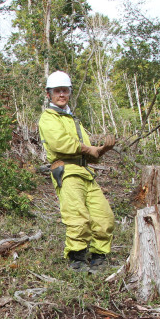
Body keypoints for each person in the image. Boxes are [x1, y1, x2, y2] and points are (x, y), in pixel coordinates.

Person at [38, 70, 116, 273]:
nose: (61, 95)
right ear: (49, 94)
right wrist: (89, 149)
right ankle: (77, 261)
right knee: (77, 218)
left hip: (85, 172)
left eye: (65, 90)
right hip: (67, 171)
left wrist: (102, 150)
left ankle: (99, 257)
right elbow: (60, 144)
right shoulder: (48, 118)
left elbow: (90, 153)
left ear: (69, 92)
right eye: (57, 91)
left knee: (104, 216)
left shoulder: (74, 120)